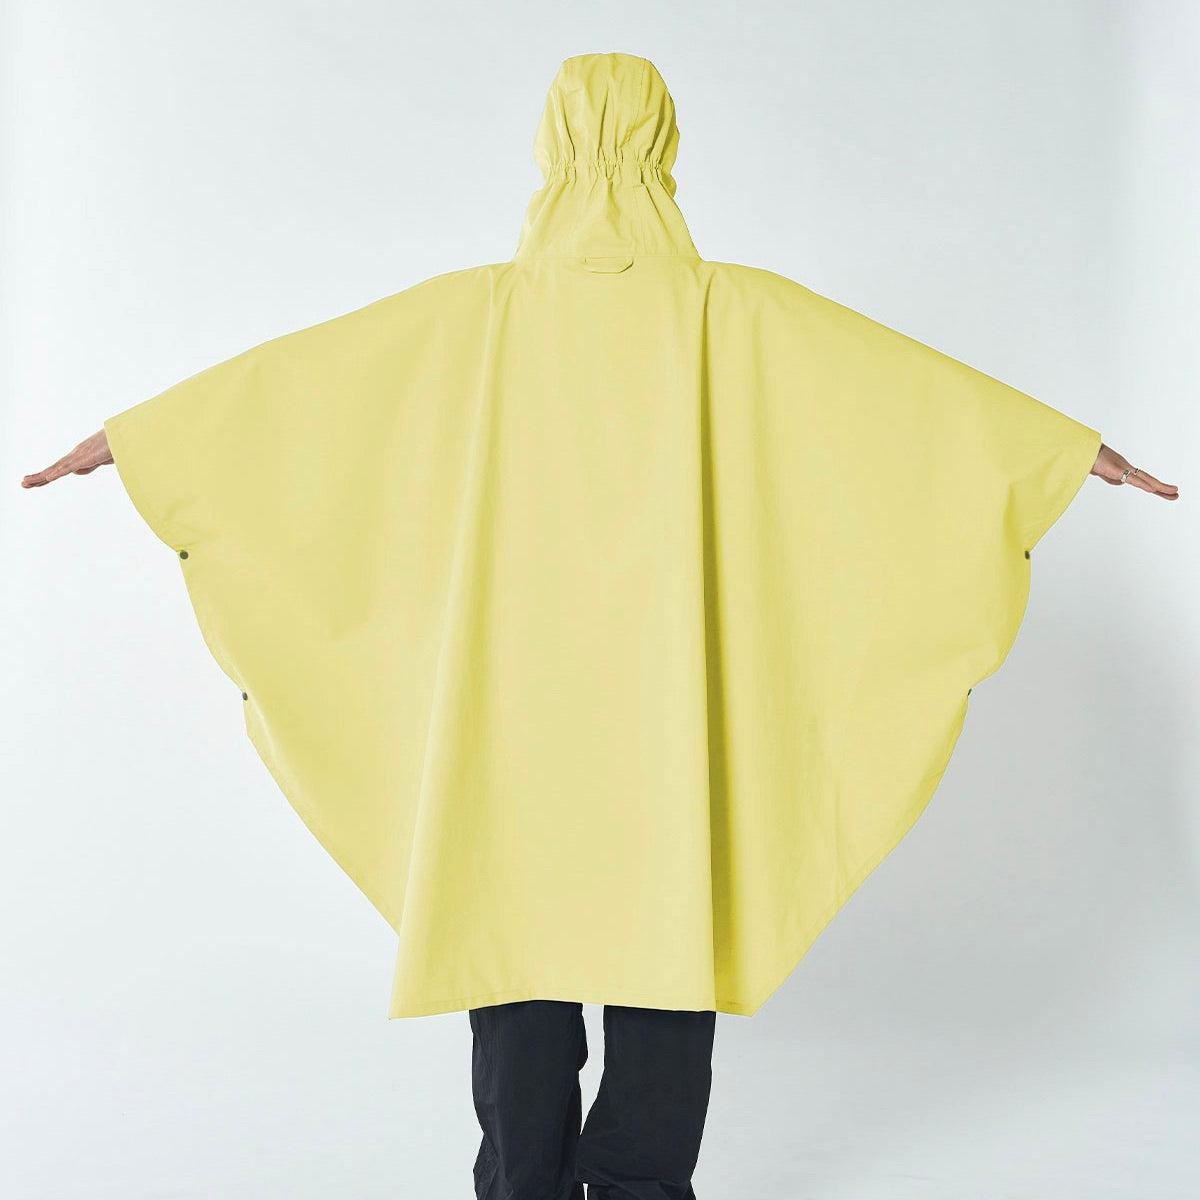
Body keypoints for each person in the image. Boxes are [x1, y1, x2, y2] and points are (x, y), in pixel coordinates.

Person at [19, 51, 1179, 1200]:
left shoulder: (476, 315)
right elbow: (909, 406)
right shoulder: (734, 314)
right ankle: (637, 1183)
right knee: (667, 928)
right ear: (666, 146)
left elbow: (298, 398)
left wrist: (143, 441)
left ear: (550, 145)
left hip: (509, 709)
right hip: (671, 707)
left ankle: (523, 1183)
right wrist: (1061, 453)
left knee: (510, 921)